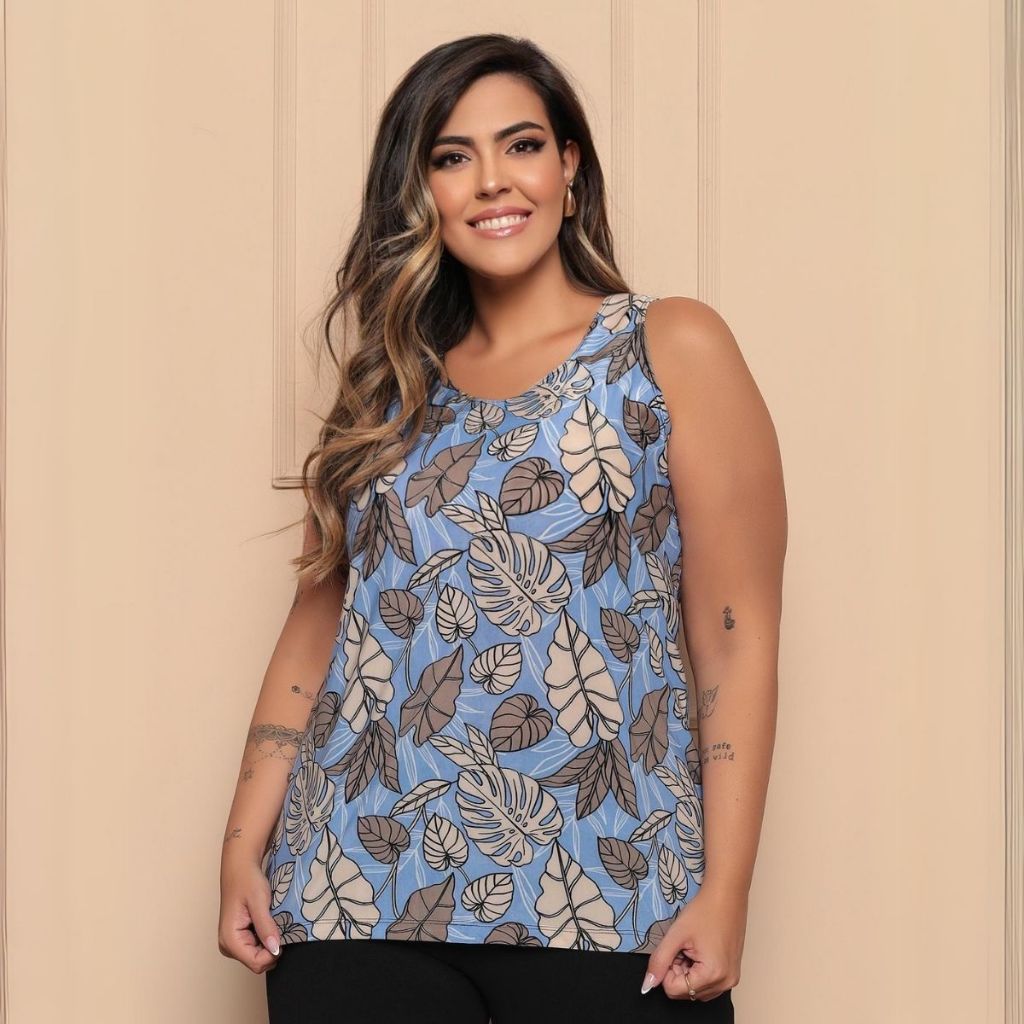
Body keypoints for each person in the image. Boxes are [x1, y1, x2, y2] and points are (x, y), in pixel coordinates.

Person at [218, 32, 785, 1024]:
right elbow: (319, 630)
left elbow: (735, 641)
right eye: (452, 156)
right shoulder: (388, 389)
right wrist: (240, 847)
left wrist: (726, 889)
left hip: (612, 891)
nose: (491, 180)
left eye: (520, 145)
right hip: (354, 891)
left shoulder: (669, 346)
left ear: (569, 167)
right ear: (421, 192)